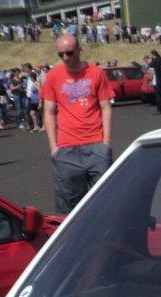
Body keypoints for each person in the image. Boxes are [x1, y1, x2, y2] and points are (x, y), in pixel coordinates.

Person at [41, 33, 114, 213]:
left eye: (69, 53)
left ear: (79, 50)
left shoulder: (96, 73)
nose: (65, 58)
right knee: (69, 206)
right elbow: (48, 112)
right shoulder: (53, 76)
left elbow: (106, 107)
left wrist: (106, 142)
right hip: (66, 149)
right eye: (61, 54)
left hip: (96, 146)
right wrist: (54, 148)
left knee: (107, 200)